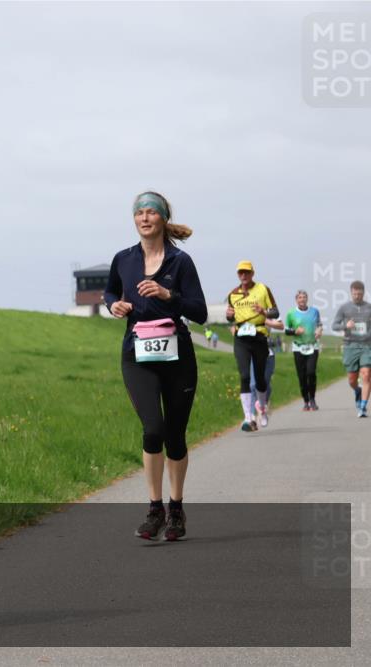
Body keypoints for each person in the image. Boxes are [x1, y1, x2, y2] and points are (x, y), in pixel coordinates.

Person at [104, 191, 207, 541]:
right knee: (153, 430)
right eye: (139, 213)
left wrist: (167, 295)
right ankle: (154, 508)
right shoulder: (123, 259)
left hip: (177, 356)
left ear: (163, 218)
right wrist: (114, 306)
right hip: (137, 355)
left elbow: (199, 311)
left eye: (151, 212)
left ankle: (176, 509)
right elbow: (110, 292)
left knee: (175, 436)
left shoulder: (180, 262)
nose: (145, 218)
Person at [225, 261, 279, 432]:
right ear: (237, 275)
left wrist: (264, 312)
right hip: (241, 338)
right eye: (240, 273)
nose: (244, 276)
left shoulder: (263, 289)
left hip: (259, 336)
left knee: (260, 379)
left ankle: (262, 409)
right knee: (244, 376)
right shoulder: (233, 294)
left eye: (247, 272)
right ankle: (248, 417)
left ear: (252, 273)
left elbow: (275, 312)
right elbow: (230, 317)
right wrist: (229, 315)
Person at [331, 280, 371, 417]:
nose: (357, 296)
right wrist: (345, 326)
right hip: (350, 345)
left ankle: (363, 407)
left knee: (366, 375)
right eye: (355, 294)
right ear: (351, 293)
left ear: (363, 293)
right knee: (352, 380)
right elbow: (334, 325)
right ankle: (357, 390)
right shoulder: (344, 308)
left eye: (359, 294)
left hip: (366, 346)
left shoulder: (369, 308)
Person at [284, 290, 323, 411]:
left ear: (307, 299)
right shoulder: (291, 313)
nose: (302, 299)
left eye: (304, 297)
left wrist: (319, 330)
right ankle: (306, 401)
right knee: (302, 375)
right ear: (296, 300)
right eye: (300, 297)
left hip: (313, 346)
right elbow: (286, 330)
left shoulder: (314, 311)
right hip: (298, 348)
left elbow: (319, 324)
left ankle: (312, 399)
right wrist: (295, 331)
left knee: (311, 372)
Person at [249, 317, 284, 427]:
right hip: (253, 353)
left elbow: (280, 325)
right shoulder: (247, 310)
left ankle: (263, 408)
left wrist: (266, 320)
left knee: (264, 384)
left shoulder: (269, 311)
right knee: (253, 385)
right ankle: (252, 417)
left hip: (268, 355)